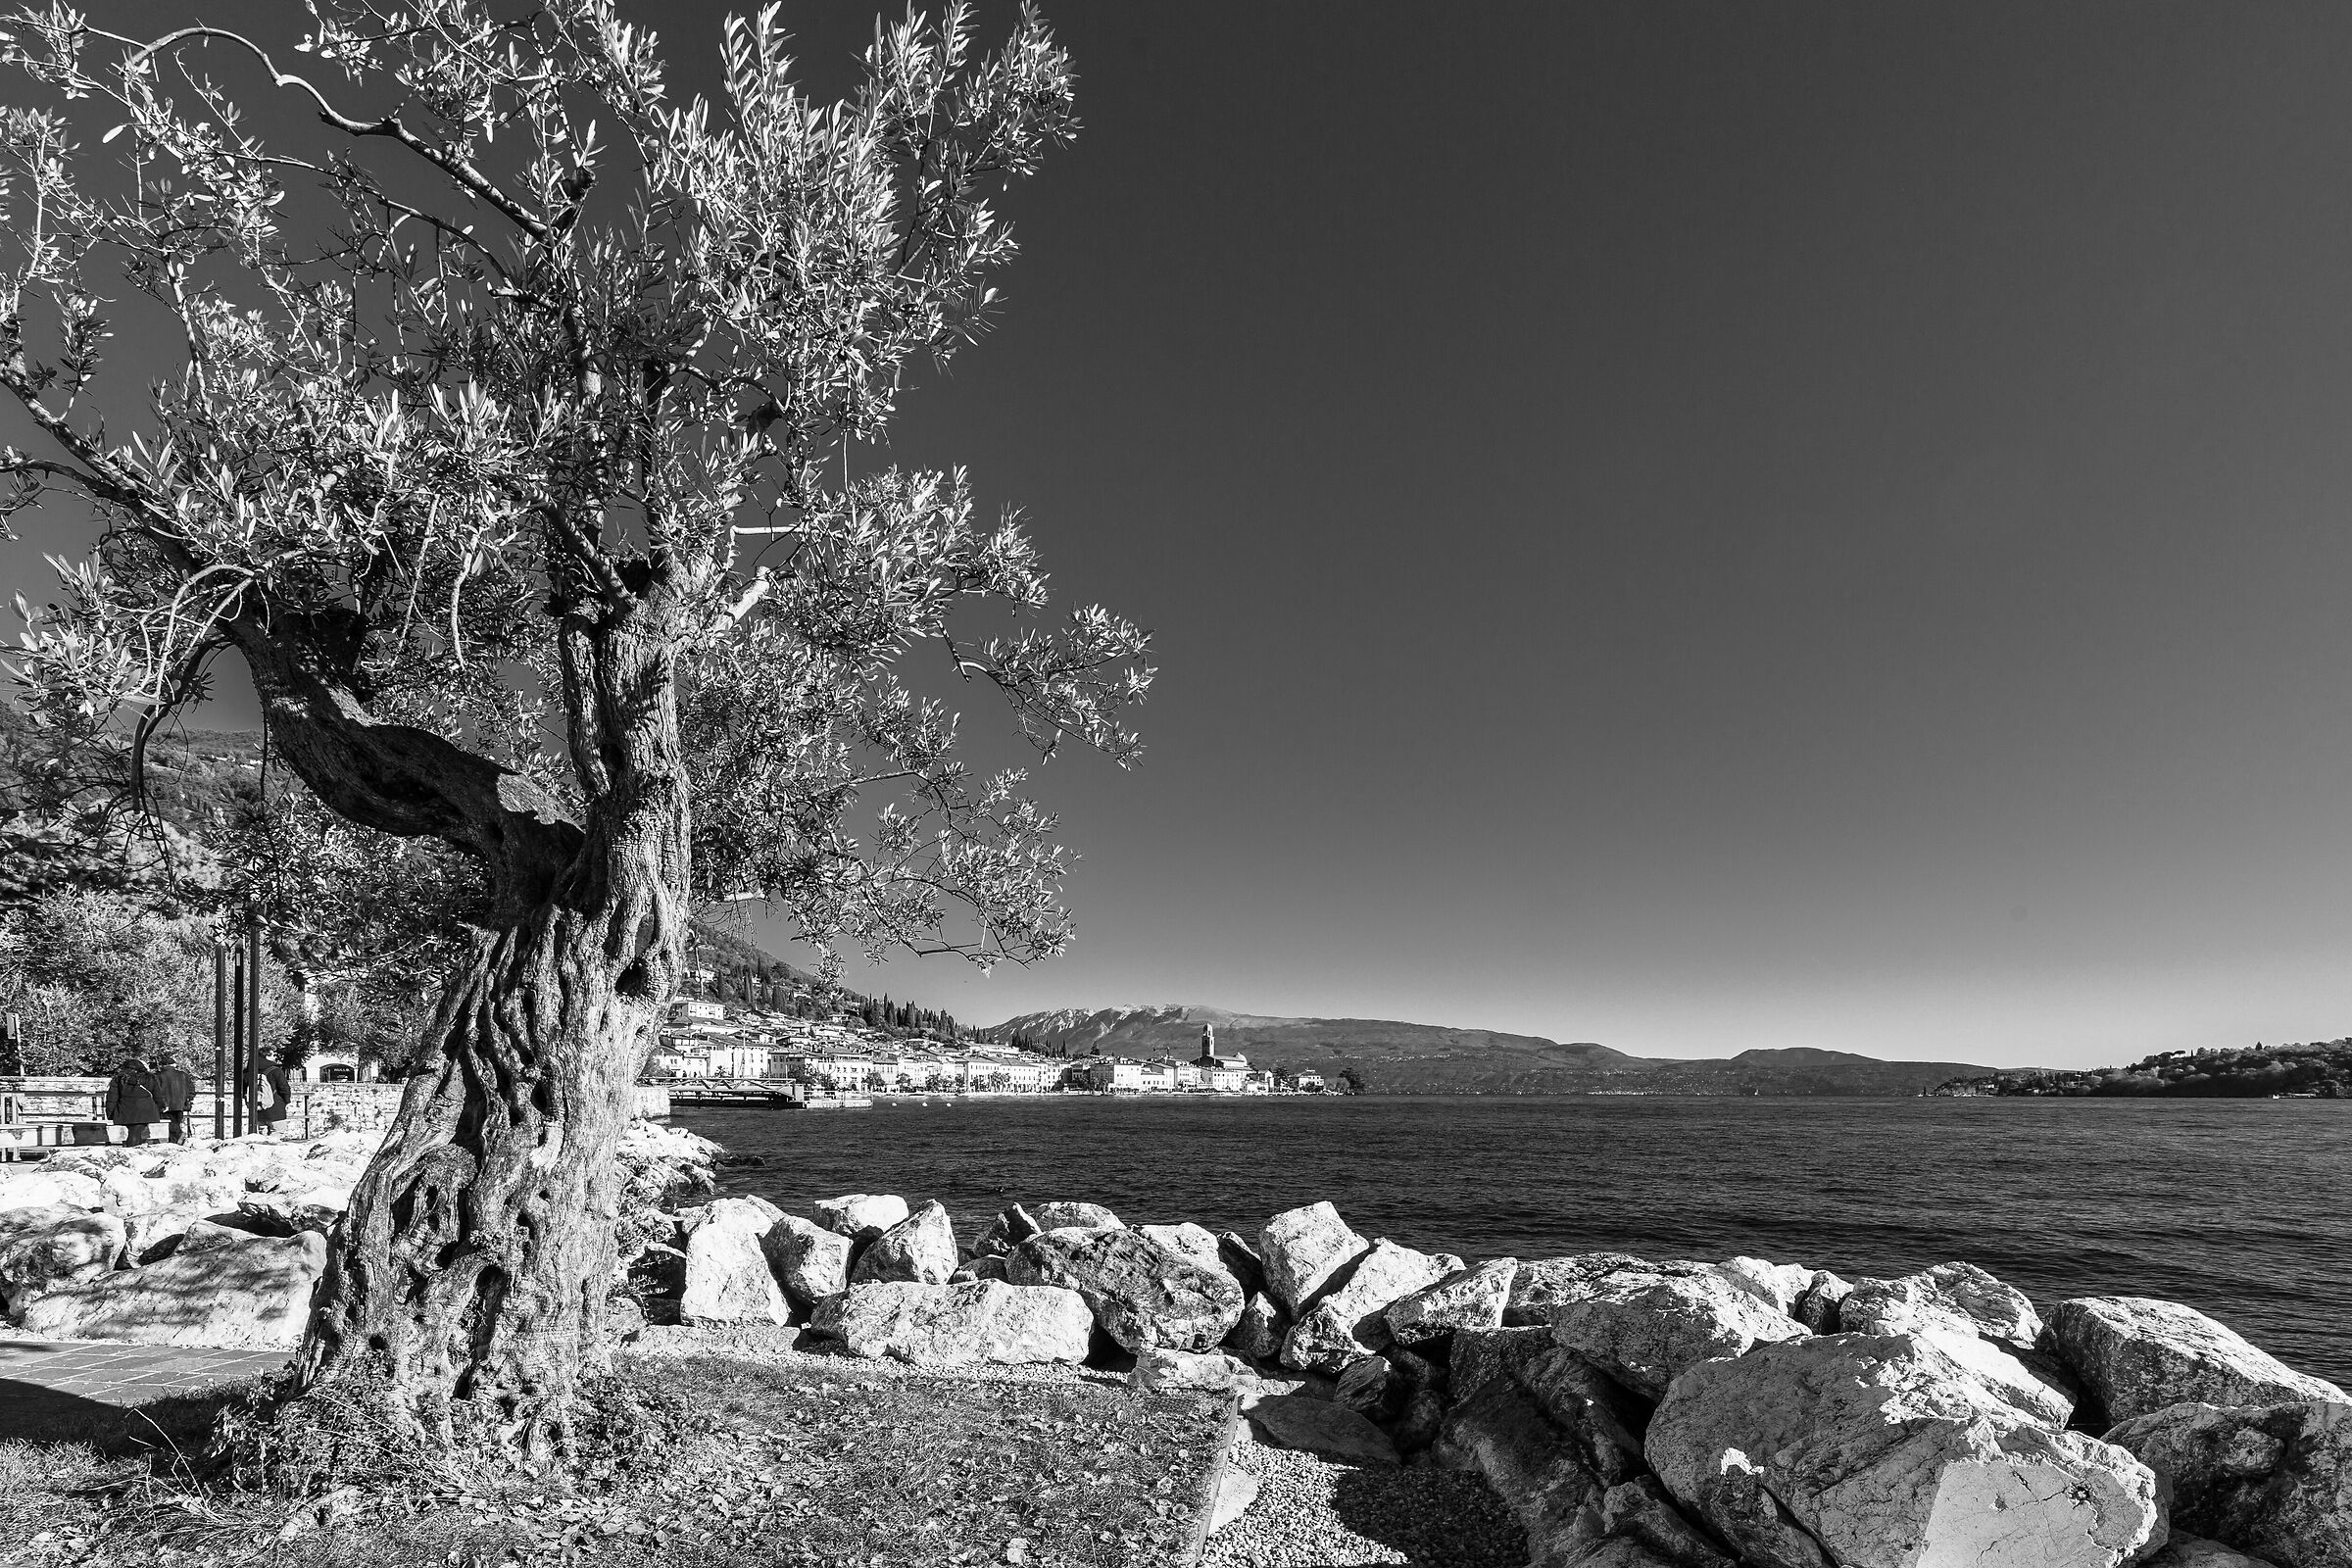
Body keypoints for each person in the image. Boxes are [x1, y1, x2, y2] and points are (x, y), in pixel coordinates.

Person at [104, 1052, 165, 1146]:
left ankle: (132, 1151)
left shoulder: (119, 1079)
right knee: (137, 1133)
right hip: (146, 1110)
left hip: (126, 1110)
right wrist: (160, 1108)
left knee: (133, 1133)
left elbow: (112, 1098)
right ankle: (135, 1151)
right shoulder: (150, 1078)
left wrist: (111, 1113)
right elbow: (158, 1095)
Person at [157, 1052, 198, 1144]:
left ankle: (178, 1136)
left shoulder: (158, 1076)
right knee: (176, 1123)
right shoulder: (184, 1075)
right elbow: (192, 1089)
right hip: (181, 1104)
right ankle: (176, 1142)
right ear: (174, 1065)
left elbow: (156, 1091)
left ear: (163, 1066)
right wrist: (188, 1099)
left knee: (169, 1124)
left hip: (165, 1104)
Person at [249, 1051, 291, 1137]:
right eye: (273, 1055)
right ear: (267, 1056)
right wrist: (285, 1101)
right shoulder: (275, 1070)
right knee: (277, 1133)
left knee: (262, 1137)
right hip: (276, 1109)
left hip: (258, 1109)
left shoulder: (249, 1070)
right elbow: (284, 1088)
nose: (275, 1057)